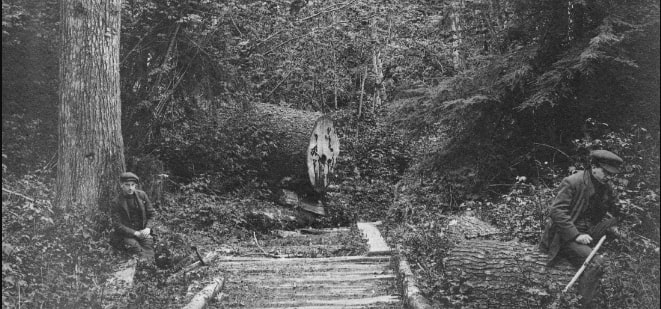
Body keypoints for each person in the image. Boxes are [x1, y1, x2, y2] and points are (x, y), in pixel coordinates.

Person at [539, 149, 624, 308]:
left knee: (613, 222)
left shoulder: (605, 185)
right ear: (594, 167)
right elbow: (556, 211)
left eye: (612, 174)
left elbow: (616, 208)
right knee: (596, 263)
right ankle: (584, 305)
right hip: (565, 234)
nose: (609, 176)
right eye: (606, 172)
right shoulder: (573, 181)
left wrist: (617, 220)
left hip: (588, 230)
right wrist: (576, 235)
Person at [111, 172, 156, 261]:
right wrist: (135, 233)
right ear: (121, 185)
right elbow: (117, 224)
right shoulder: (116, 202)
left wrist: (147, 228)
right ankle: (141, 268)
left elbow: (151, 214)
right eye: (127, 185)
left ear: (135, 185)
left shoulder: (142, 195)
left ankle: (150, 267)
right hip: (127, 235)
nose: (130, 188)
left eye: (133, 185)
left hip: (143, 232)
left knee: (149, 249)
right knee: (137, 250)